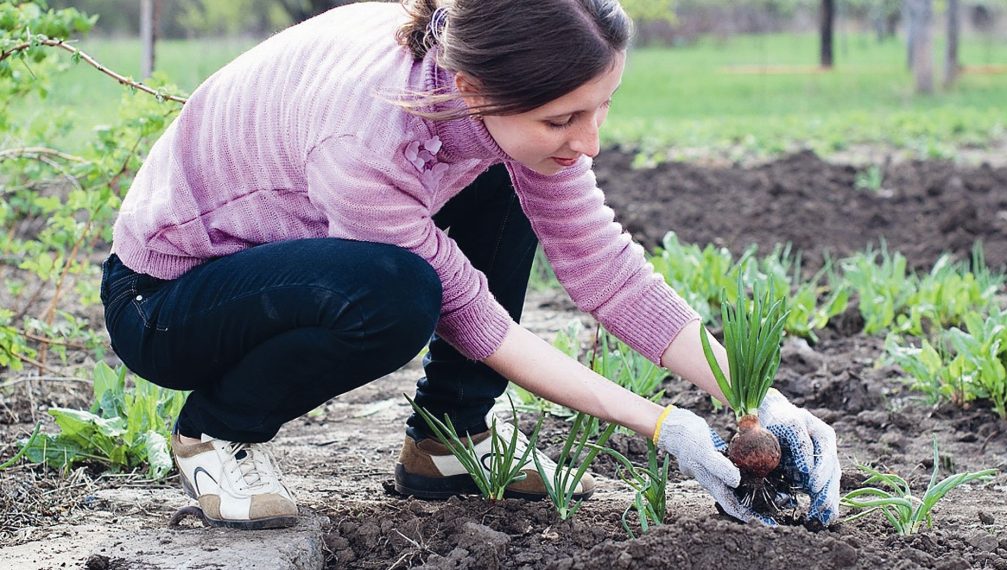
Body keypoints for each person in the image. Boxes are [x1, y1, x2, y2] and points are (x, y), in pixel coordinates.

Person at [100, 0, 840, 530]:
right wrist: (665, 425)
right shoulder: (367, 140)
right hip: (168, 302)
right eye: (563, 119)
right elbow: (476, 320)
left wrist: (758, 397)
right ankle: (218, 430)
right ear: (473, 91)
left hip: (288, 261)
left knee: (510, 171)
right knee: (397, 294)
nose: (590, 142)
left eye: (601, 107)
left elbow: (606, 270)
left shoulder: (483, 78)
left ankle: (446, 438)